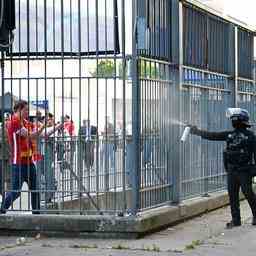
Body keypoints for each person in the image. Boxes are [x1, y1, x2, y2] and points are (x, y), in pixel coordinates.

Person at [189, 108, 256, 228]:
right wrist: (196, 131)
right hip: (232, 170)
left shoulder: (251, 136)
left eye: (234, 119)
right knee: (232, 195)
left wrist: (253, 170)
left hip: (244, 170)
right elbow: (212, 135)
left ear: (241, 120)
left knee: (248, 193)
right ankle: (236, 220)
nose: (233, 121)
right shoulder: (229, 135)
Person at [0, 100, 46, 214]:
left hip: (29, 161)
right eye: (25, 110)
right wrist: (43, 127)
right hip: (19, 163)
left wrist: (55, 126)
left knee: (35, 189)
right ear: (18, 110)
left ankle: (36, 214)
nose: (27, 112)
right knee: (16, 192)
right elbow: (31, 135)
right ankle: (2, 209)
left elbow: (38, 133)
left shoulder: (24, 122)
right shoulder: (14, 122)